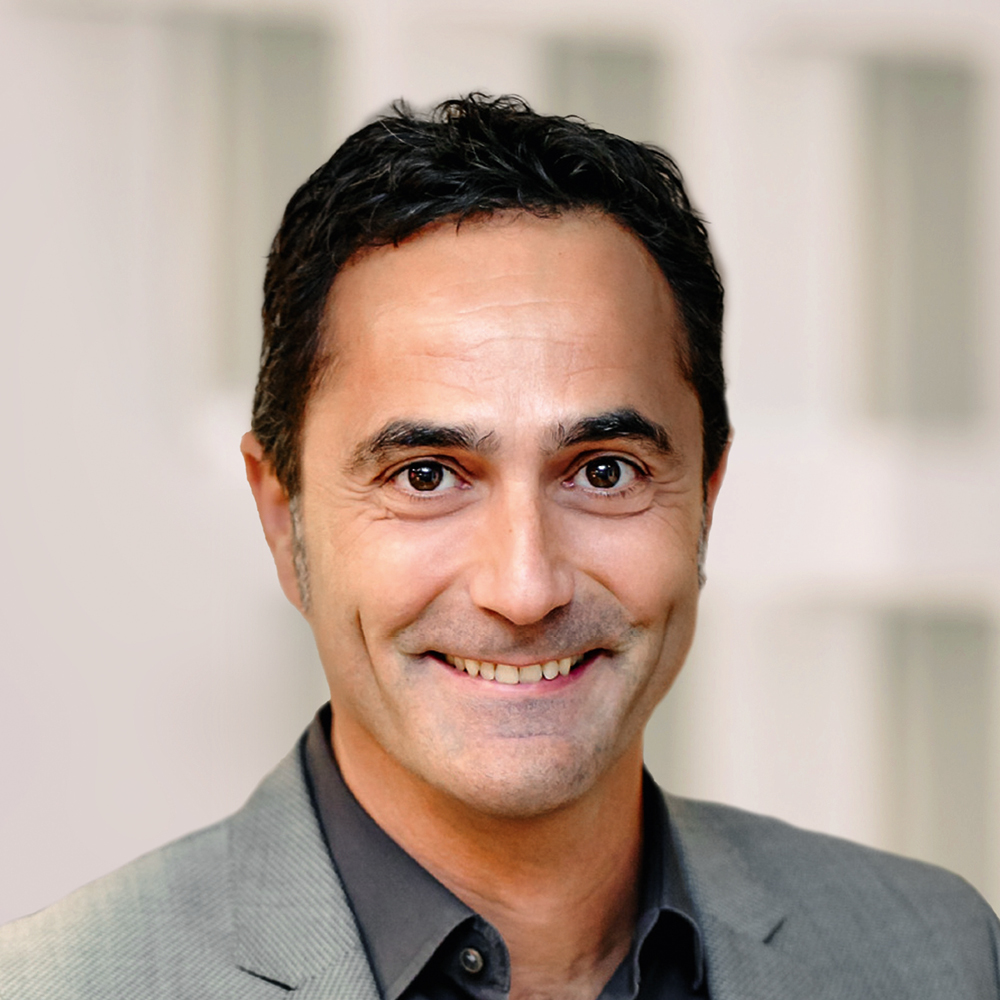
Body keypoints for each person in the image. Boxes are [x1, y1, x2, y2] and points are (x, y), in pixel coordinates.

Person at [1, 94, 997, 1000]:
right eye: (426, 476)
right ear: (282, 517)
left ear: (706, 497)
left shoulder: (938, 955)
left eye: (602, 471)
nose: (524, 588)